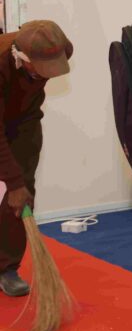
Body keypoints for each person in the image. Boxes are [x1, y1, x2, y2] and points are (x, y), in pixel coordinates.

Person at [0, 20, 73, 297]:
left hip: (25, 121)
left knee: (22, 194)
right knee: (15, 185)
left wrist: (19, 185)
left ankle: (6, 267)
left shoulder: (60, 48)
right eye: (40, 69)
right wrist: (13, 182)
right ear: (23, 57)